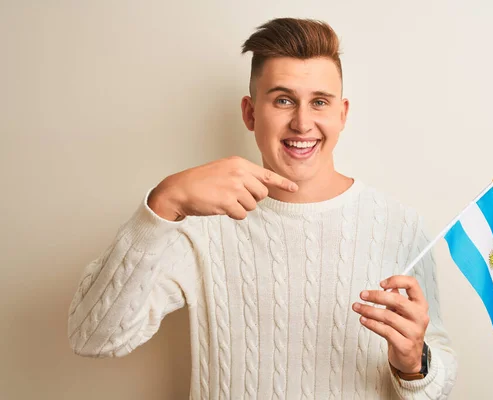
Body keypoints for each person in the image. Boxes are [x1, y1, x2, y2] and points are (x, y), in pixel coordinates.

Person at [67, 17, 457, 399]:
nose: (303, 123)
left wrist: (414, 365)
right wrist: (164, 201)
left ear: (342, 113)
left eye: (319, 102)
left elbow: (437, 387)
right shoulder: (199, 222)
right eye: (283, 100)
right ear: (250, 113)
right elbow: (92, 336)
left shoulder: (401, 226)